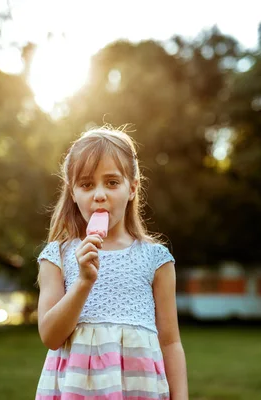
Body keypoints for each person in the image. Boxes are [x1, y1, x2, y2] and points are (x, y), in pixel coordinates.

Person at [35, 126, 188, 399]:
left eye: (112, 182)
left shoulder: (156, 260)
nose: (99, 194)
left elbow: (170, 341)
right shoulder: (56, 256)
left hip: (139, 388)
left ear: (132, 188)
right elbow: (50, 337)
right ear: (72, 192)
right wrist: (83, 282)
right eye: (86, 184)